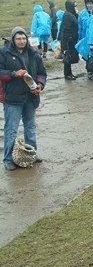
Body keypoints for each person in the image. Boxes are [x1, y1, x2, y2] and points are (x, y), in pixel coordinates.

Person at [0, 27, 46, 171]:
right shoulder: (4, 53)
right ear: (13, 40)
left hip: (31, 97)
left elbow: (41, 73)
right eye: (18, 39)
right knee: (11, 129)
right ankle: (8, 158)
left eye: (24, 38)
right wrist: (14, 74)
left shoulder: (34, 54)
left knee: (30, 127)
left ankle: (31, 153)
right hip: (12, 98)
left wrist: (39, 84)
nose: (21, 41)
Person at [59, 0, 79, 80]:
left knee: (69, 57)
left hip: (70, 39)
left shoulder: (70, 14)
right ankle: (67, 74)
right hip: (67, 40)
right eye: (74, 6)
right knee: (67, 57)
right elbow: (67, 29)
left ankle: (69, 73)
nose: (75, 8)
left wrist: (76, 14)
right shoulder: (67, 15)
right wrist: (69, 39)